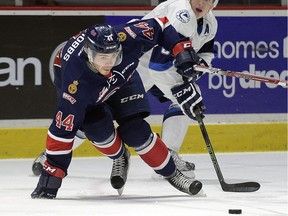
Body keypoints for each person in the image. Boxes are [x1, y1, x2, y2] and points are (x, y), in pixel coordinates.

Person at [32, 0, 218, 179]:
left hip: (159, 69)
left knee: (186, 99)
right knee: (90, 113)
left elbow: (205, 53)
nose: (201, 3)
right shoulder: (181, 13)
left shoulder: (211, 23)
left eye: (208, 0)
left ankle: (169, 155)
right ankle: (51, 154)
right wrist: (181, 85)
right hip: (133, 66)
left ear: (214, 4)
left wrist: (197, 66)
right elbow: (157, 65)